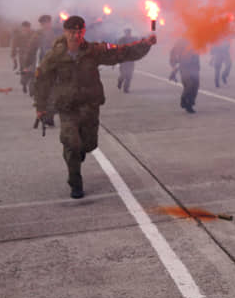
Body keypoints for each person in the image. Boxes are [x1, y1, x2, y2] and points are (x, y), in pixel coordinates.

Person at [33, 15, 156, 199]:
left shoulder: (93, 51)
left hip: (89, 106)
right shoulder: (55, 56)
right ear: (65, 32)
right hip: (68, 107)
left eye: (79, 31)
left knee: (88, 144)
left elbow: (120, 53)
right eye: (71, 32)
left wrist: (145, 44)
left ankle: (77, 154)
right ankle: (75, 182)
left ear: (83, 32)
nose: (75, 35)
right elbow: (42, 80)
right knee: (72, 143)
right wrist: (40, 107)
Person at [169, 38, 200, 113]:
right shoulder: (180, 42)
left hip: (194, 67)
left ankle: (190, 104)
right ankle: (183, 99)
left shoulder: (196, 40)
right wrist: (174, 68)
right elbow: (173, 54)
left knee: (195, 86)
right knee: (189, 85)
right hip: (184, 67)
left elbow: (197, 54)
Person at [10, 21, 34, 93]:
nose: (26, 29)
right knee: (24, 70)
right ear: (22, 28)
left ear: (29, 28)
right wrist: (14, 59)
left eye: (27, 28)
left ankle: (32, 84)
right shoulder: (18, 36)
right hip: (23, 56)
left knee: (33, 70)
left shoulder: (34, 34)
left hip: (32, 54)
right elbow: (13, 47)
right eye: (24, 28)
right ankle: (24, 84)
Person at [116, 28, 138, 93]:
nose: (128, 34)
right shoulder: (121, 40)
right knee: (123, 74)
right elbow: (119, 49)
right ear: (125, 33)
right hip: (123, 60)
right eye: (127, 33)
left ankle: (126, 88)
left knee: (129, 75)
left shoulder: (133, 39)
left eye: (129, 33)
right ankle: (120, 81)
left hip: (131, 60)